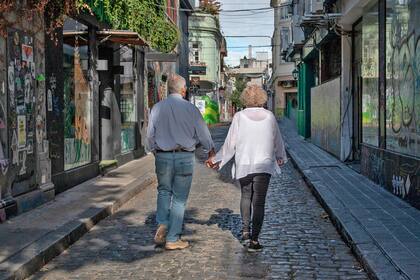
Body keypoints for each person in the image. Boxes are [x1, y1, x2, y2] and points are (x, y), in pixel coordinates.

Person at [207, 84, 287, 252]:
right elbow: (277, 140)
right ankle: (255, 239)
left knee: (246, 196)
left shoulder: (239, 117)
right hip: (264, 164)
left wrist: (216, 159)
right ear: (262, 98)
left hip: (244, 163)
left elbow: (230, 144)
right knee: (259, 202)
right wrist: (280, 156)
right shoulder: (270, 116)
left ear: (245, 98)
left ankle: (245, 232)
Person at [147, 73, 215, 250]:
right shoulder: (191, 109)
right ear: (183, 90)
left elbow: (149, 136)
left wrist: (156, 151)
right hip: (184, 156)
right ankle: (172, 238)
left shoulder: (157, 108)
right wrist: (211, 152)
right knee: (179, 199)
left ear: (168, 89)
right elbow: (203, 134)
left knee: (163, 191)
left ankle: (162, 222)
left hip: (162, 155)